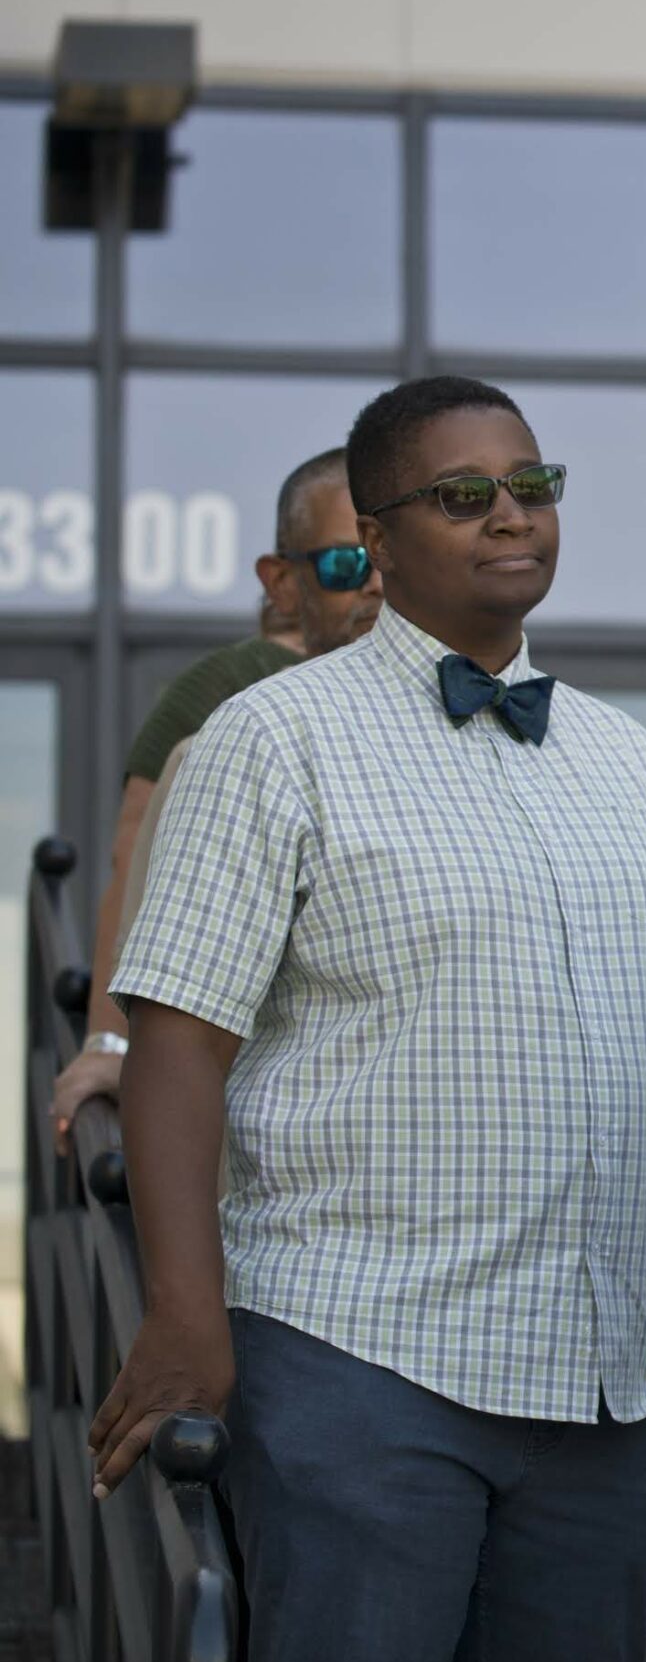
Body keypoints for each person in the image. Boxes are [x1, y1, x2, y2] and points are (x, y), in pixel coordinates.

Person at [94, 376, 646, 1662]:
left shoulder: (631, 758)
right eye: (463, 494)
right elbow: (177, 1041)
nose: (511, 515)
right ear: (375, 540)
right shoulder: (267, 739)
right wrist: (184, 1314)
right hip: (360, 1363)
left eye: (531, 487)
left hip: (605, 1387)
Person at [47, 447, 382, 1147]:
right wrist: (110, 1043)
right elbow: (135, 855)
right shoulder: (230, 689)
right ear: (282, 582)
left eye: (390, 558)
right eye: (346, 565)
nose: (374, 586)